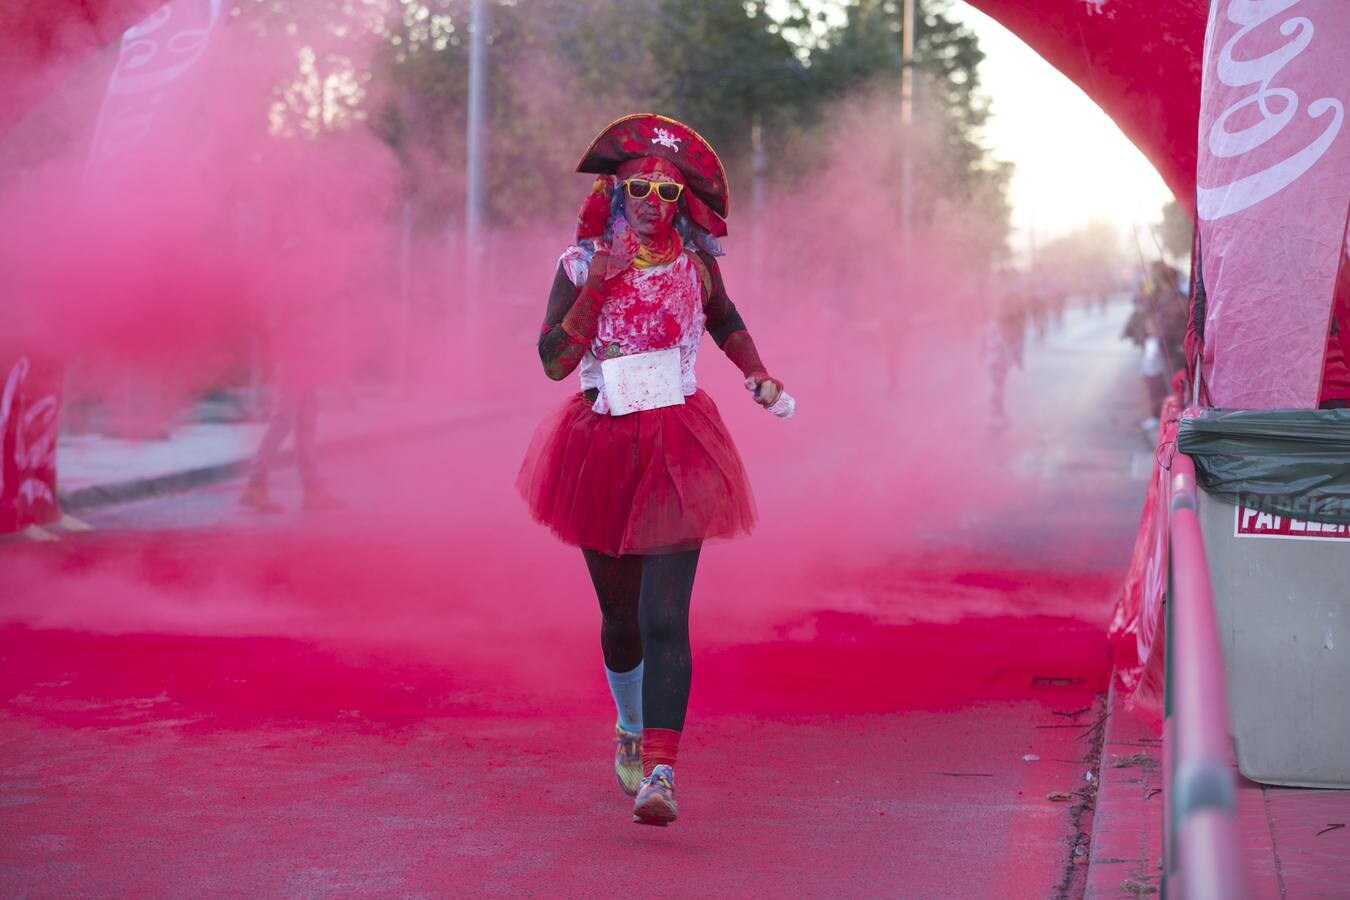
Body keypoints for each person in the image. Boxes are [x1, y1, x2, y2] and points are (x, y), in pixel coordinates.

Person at [517, 114, 788, 826]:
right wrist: (596, 292)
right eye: (638, 188)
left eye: (666, 193)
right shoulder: (578, 266)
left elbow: (724, 319)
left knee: (665, 617)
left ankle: (661, 774)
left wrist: (755, 372)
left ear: (680, 202)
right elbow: (552, 363)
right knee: (622, 620)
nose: (651, 201)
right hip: (599, 449)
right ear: (615, 193)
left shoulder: (696, 266)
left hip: (680, 445)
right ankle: (630, 725)